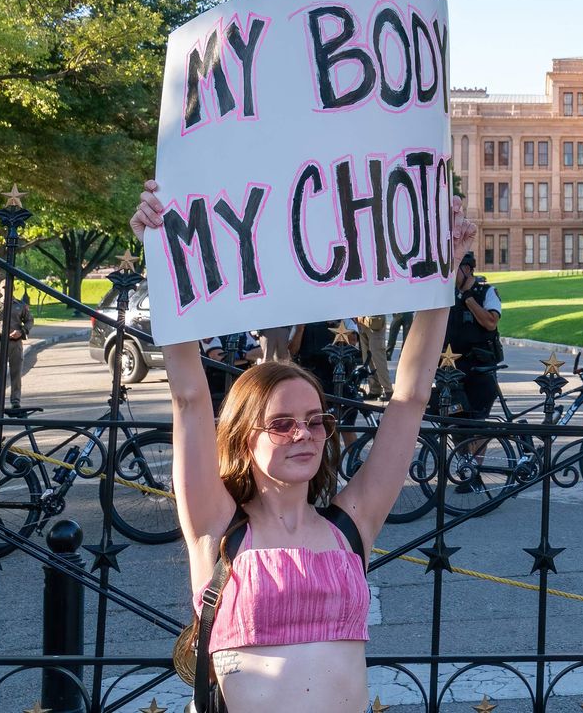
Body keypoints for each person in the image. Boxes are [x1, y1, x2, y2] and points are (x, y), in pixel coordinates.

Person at [129, 180, 465, 713]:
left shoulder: (350, 526)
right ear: (243, 438)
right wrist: (159, 251)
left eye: (314, 420)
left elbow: (410, 396)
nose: (304, 434)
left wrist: (443, 269)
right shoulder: (217, 528)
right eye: (281, 424)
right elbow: (191, 397)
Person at [446, 251, 505, 417]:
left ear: (466, 269)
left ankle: (483, 440)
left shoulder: (487, 292)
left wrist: (469, 299)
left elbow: (491, 323)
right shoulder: (447, 295)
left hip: (481, 372)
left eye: (453, 269)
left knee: (477, 426)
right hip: (452, 373)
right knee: (454, 422)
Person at [351, 315, 393, 401]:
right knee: (367, 359)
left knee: (378, 358)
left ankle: (388, 390)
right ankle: (375, 389)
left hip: (374, 319)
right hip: (361, 319)